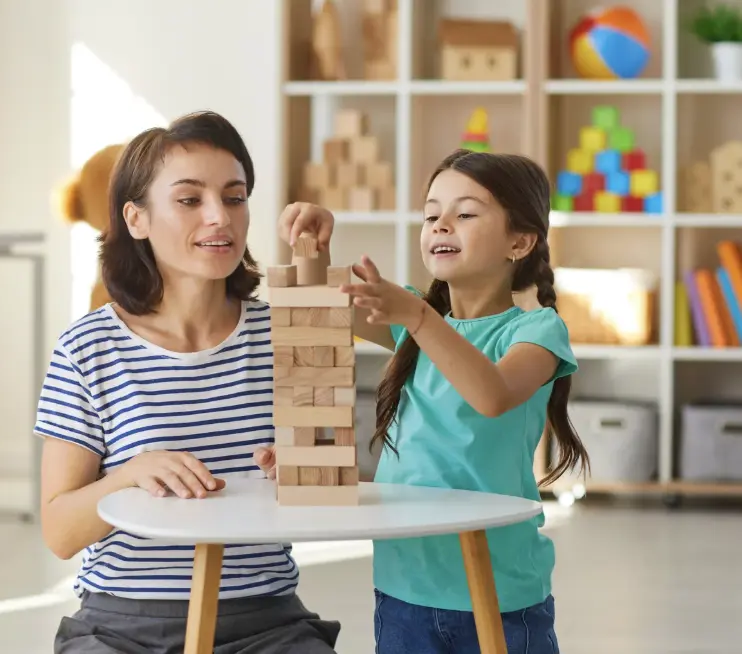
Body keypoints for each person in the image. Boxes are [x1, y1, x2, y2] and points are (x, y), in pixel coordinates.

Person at [257, 149, 589, 654]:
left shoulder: (537, 330)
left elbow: (492, 395)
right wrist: (318, 247)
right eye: (432, 214)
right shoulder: (415, 317)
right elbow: (323, 308)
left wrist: (416, 316)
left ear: (519, 241)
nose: (441, 225)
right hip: (403, 588)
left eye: (465, 213)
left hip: (500, 591)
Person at [34, 110, 341, 654]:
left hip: (267, 622)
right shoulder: (87, 348)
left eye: (235, 196)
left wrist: (299, 470)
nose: (219, 217)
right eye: (189, 199)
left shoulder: (284, 332)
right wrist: (130, 475)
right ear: (136, 219)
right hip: (121, 628)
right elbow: (60, 533)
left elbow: (327, 481)